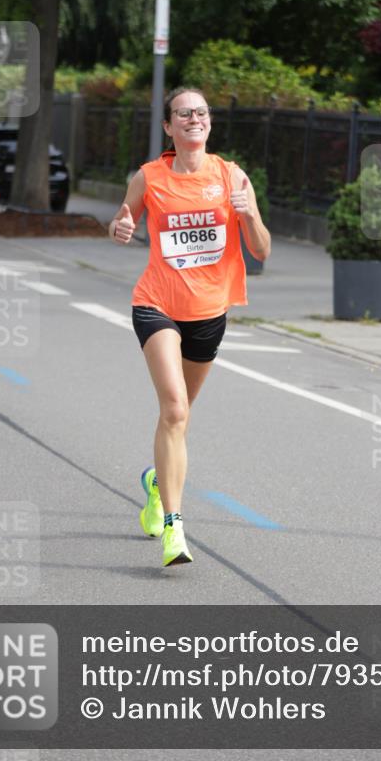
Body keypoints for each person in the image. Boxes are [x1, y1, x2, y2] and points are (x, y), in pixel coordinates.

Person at [109, 87, 271, 567]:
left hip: (209, 313)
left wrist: (248, 215)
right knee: (175, 410)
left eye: (200, 112)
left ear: (209, 122)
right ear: (168, 126)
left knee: (178, 418)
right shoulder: (149, 177)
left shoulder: (232, 177)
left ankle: (156, 483)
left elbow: (261, 249)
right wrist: (118, 228)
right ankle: (174, 528)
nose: (193, 119)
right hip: (156, 303)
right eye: (183, 114)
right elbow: (122, 221)